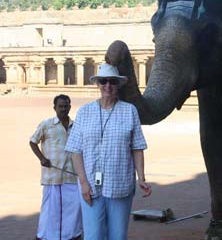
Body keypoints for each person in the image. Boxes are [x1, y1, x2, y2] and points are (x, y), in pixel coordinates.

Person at [65, 63, 152, 240]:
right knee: (93, 235)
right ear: (97, 83)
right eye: (103, 81)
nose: (108, 86)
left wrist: (141, 177)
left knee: (118, 236)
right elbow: (75, 150)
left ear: (118, 85)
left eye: (112, 82)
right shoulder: (84, 112)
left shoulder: (129, 111)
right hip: (90, 186)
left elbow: (137, 147)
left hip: (120, 184)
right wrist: (83, 182)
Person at [29, 94, 82, 240]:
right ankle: (45, 236)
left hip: (72, 175)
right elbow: (33, 142)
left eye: (66, 106)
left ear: (70, 107)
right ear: (54, 108)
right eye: (60, 106)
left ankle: (70, 236)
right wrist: (42, 158)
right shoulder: (46, 125)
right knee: (51, 210)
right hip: (52, 176)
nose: (64, 109)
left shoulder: (76, 126)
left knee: (73, 208)